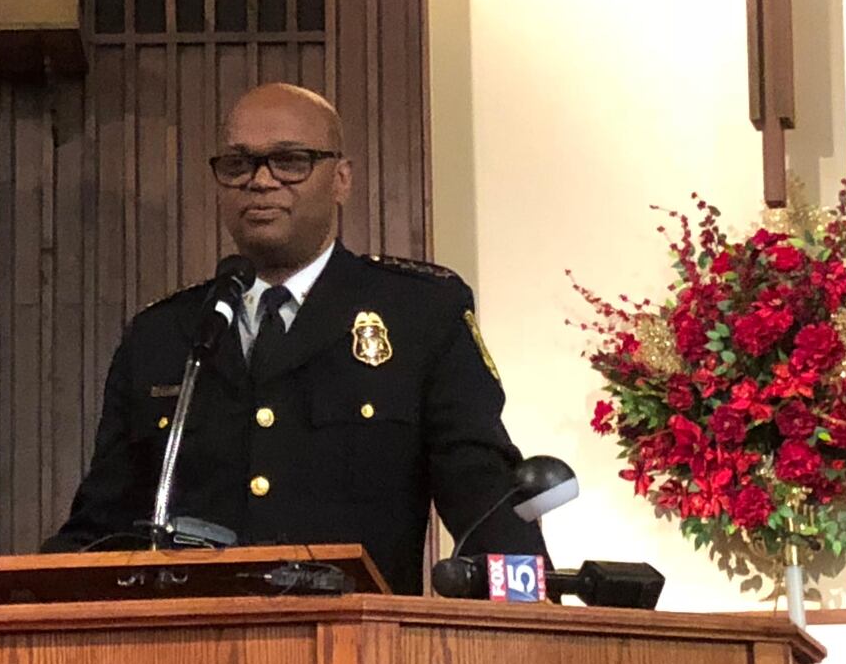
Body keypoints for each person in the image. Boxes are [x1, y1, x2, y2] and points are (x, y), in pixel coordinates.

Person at [42, 83, 547, 594]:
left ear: (340, 180)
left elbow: (485, 501)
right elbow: (100, 527)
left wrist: (527, 618)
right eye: (238, 165)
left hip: (354, 652)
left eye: (289, 161)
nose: (260, 182)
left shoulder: (418, 315)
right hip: (187, 653)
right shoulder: (164, 335)